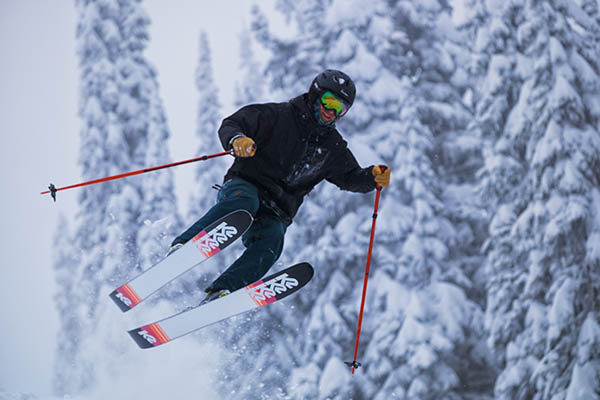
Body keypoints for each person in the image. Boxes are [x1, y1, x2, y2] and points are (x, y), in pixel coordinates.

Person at [168, 69, 391, 305]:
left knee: (272, 240)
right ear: (315, 94)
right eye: (328, 101)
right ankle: (185, 246)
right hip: (245, 185)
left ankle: (222, 292)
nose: (331, 112)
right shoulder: (278, 115)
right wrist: (237, 139)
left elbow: (349, 177)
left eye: (340, 108)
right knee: (244, 205)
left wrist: (371, 178)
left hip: (277, 210)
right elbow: (234, 123)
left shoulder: (332, 148)